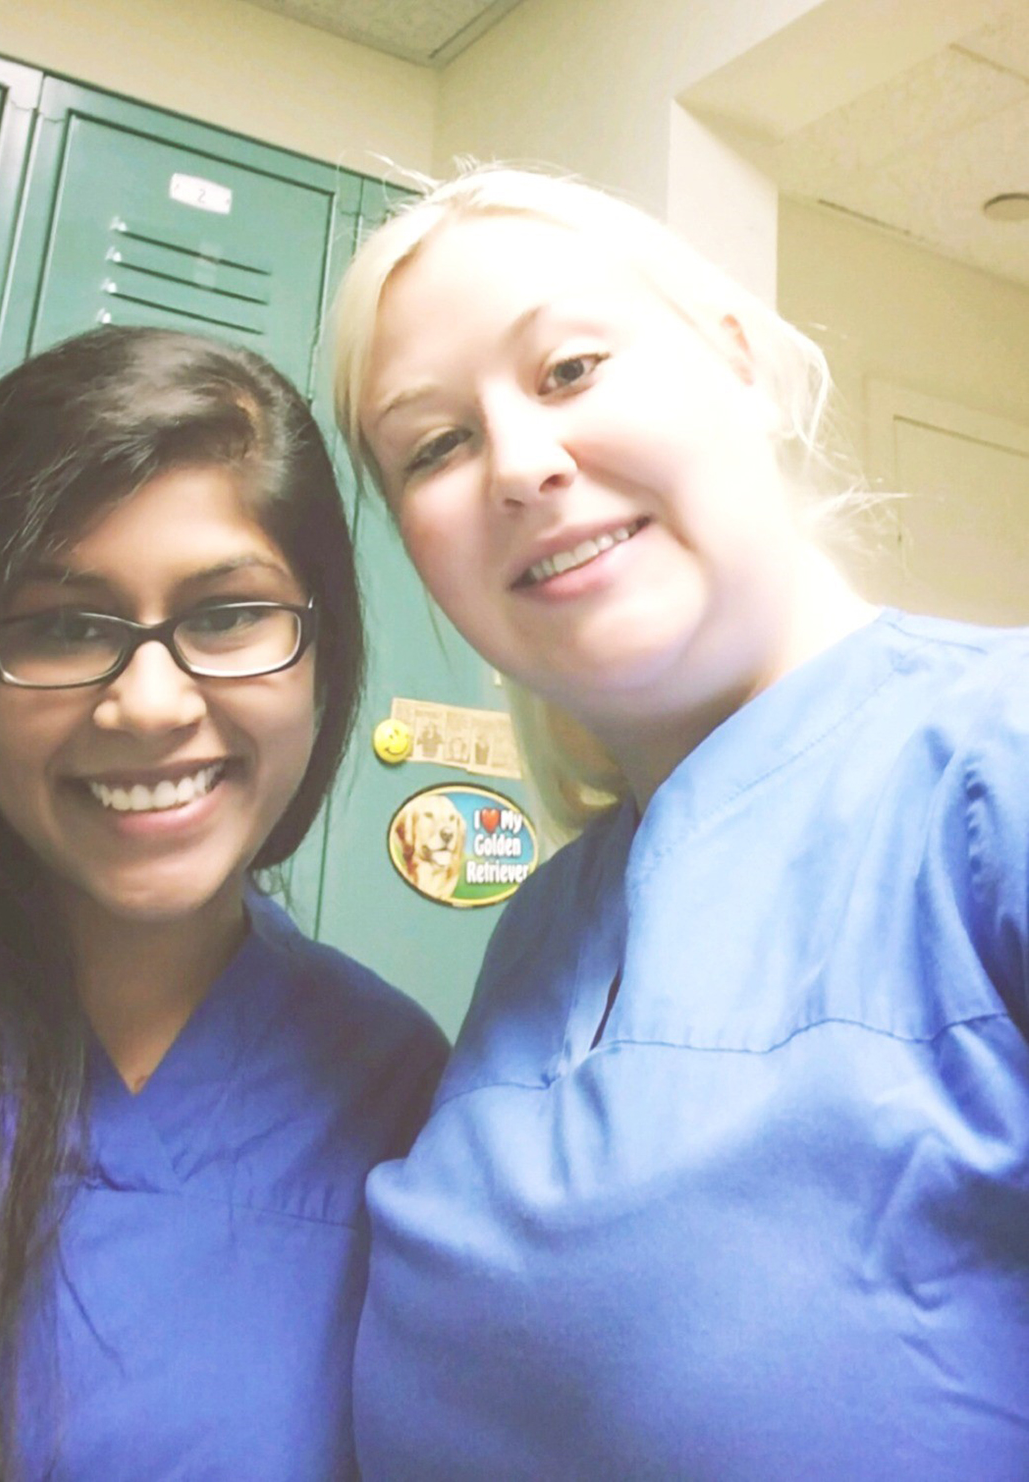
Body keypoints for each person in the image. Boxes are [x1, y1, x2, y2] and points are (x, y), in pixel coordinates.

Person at [332, 167, 1029, 1479]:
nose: (522, 465)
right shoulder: (547, 924)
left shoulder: (996, 752)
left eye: (570, 368)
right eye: (433, 446)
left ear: (737, 364)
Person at [0, 325, 447, 1481]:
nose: (149, 704)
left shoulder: (392, 1091)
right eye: (64, 625)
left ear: (324, 661)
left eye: (227, 616)